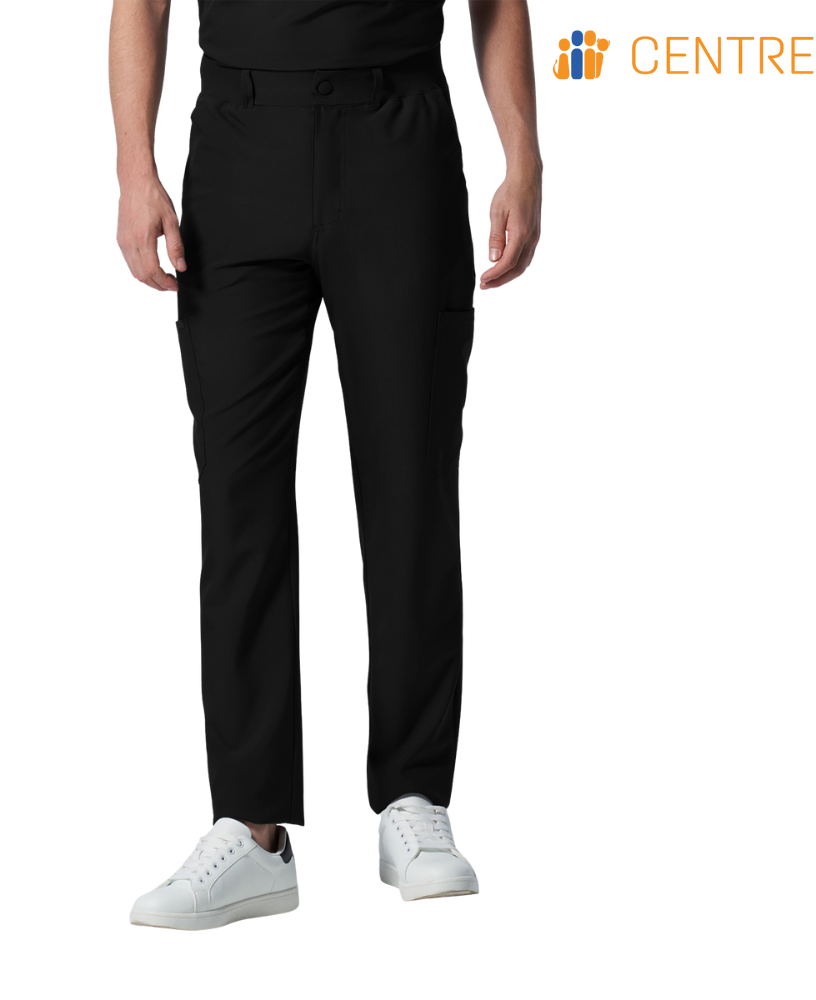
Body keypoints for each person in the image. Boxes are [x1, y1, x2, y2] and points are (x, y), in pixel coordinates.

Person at [111, 0, 541, 929]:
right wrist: (133, 167)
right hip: (239, 142)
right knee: (240, 498)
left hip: (398, 138)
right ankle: (252, 828)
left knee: (410, 484)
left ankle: (414, 800)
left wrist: (524, 155)